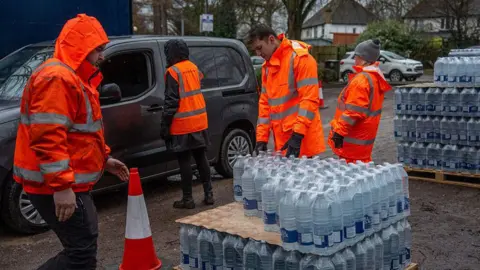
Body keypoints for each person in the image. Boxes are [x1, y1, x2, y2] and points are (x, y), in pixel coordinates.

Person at [13, 14, 129, 269]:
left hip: (63, 182)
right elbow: (48, 137)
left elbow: (81, 134)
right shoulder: (58, 78)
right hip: (55, 184)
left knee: (83, 248)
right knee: (80, 254)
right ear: (81, 47)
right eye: (98, 50)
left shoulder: (72, 78)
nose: (101, 57)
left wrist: (104, 158)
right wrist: (61, 187)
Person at [246, 25, 325, 158]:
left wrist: (297, 135)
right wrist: (261, 138)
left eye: (259, 48)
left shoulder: (300, 58)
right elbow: (265, 104)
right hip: (283, 142)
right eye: (255, 51)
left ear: (271, 39)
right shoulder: (267, 67)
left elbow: (309, 100)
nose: (258, 54)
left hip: (302, 141)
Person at [161, 39, 214, 209]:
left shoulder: (173, 72)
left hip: (182, 124)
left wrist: (165, 125)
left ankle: (188, 199)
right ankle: (209, 195)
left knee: (184, 160)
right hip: (199, 121)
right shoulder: (193, 67)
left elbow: (171, 102)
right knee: (201, 157)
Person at [328, 39, 392, 163]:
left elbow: (353, 112)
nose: (354, 60)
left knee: (351, 175)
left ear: (363, 58)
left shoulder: (361, 80)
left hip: (352, 141)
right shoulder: (375, 77)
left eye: (356, 56)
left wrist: (339, 133)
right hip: (363, 140)